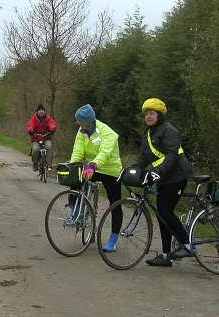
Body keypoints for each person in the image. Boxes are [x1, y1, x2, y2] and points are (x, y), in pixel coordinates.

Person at [136, 98, 194, 267]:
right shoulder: (148, 133)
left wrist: (156, 173)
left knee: (165, 211)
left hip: (177, 177)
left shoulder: (169, 131)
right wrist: (133, 170)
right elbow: (143, 158)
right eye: (146, 114)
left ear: (159, 115)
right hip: (163, 179)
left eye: (152, 113)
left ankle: (187, 245)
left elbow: (171, 157)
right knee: (161, 215)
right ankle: (166, 255)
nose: (148, 116)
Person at [69, 104, 123, 252]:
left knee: (115, 203)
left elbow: (105, 152)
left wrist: (93, 165)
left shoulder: (107, 132)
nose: (76, 123)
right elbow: (78, 150)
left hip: (110, 170)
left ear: (87, 121)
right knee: (75, 179)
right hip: (93, 168)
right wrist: (72, 166)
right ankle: (75, 212)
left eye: (78, 121)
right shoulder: (81, 131)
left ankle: (113, 239)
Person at [26, 104, 57, 171]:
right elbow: (30, 125)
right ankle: (35, 163)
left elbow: (52, 124)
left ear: (44, 111)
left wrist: (52, 129)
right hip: (36, 139)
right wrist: (30, 130)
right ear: (37, 111)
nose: (41, 111)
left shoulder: (48, 118)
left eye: (42, 110)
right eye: (39, 110)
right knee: (35, 150)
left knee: (49, 146)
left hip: (46, 138)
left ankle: (49, 164)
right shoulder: (34, 119)